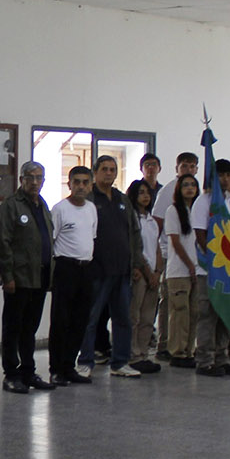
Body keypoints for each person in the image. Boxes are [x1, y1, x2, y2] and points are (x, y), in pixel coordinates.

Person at [81, 155, 145, 378]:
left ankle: (120, 362)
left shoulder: (122, 199)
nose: (109, 173)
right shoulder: (89, 198)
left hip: (122, 270)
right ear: (95, 172)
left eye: (113, 169)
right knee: (91, 318)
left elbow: (134, 233)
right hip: (97, 270)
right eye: (105, 169)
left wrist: (136, 263)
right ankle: (85, 361)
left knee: (122, 319)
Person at [0, 162, 54, 393]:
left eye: (39, 177)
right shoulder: (11, 206)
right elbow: (3, 243)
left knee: (30, 328)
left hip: (39, 277)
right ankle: (11, 374)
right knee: (13, 328)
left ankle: (28, 372)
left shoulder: (42, 205)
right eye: (29, 177)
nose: (34, 182)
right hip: (19, 279)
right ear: (21, 180)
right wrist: (7, 276)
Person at [194, 161, 230, 377]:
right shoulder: (204, 201)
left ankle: (222, 356)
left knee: (226, 314)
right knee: (208, 316)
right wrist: (217, 257)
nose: (226, 179)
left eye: (229, 175)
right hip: (209, 269)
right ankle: (205, 360)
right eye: (221, 175)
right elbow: (200, 233)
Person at [48, 166, 98, 384]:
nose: (80, 186)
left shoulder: (91, 209)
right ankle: (56, 369)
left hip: (86, 269)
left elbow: (92, 238)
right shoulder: (60, 209)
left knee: (80, 320)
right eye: (76, 182)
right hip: (65, 268)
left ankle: (69, 366)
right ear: (69, 184)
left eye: (85, 182)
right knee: (61, 321)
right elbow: (51, 241)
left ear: (90, 185)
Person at [157, 173, 201, 367]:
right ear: (179, 189)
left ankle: (189, 350)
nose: (190, 188)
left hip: (198, 270)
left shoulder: (198, 211)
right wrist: (190, 265)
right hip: (179, 270)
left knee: (194, 312)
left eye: (193, 185)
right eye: (186, 185)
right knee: (179, 312)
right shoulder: (173, 211)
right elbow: (175, 241)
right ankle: (177, 352)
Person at [129, 180, 164, 365]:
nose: (145, 196)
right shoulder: (132, 219)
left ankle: (143, 353)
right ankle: (132, 354)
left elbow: (157, 248)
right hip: (140, 274)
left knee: (148, 317)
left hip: (152, 275)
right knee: (134, 316)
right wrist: (147, 271)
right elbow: (136, 248)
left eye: (148, 193)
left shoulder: (151, 220)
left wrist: (157, 272)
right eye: (141, 192)